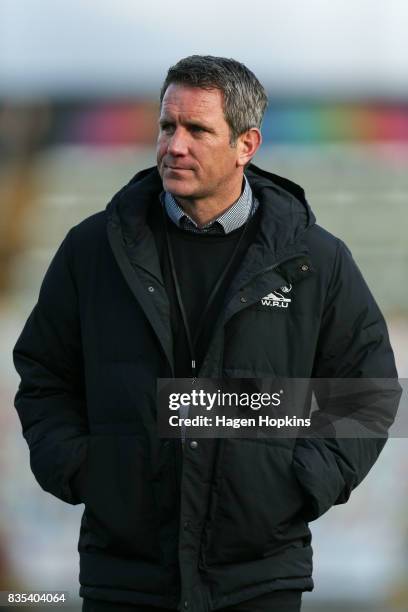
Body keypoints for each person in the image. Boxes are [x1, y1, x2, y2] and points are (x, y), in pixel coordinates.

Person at [12, 56, 400, 612]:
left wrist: (298, 483)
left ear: (247, 144)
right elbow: (44, 374)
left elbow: (368, 391)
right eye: (167, 126)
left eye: (197, 129)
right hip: (124, 576)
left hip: (259, 579)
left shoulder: (317, 262)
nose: (175, 145)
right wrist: (83, 470)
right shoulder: (91, 250)